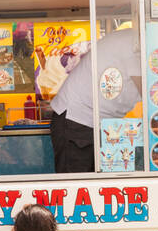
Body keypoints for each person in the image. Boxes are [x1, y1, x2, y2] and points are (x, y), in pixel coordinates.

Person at [50, 27, 143, 173]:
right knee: (77, 186)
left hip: (101, 123)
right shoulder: (134, 44)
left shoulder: (134, 39)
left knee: (98, 186)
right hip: (78, 119)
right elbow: (150, 92)